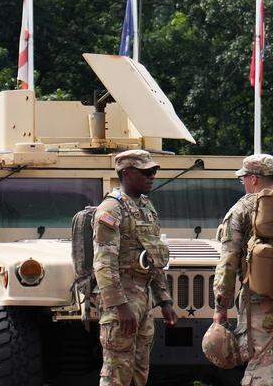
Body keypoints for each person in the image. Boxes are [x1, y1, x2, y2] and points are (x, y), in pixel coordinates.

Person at [214, 154, 273, 386]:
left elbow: (228, 261)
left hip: (260, 298)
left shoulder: (241, 209)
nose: (244, 182)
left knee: (260, 362)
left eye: (244, 178)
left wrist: (221, 306)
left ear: (254, 179)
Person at [94, 150, 177, 386]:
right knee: (117, 369)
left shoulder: (147, 208)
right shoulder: (111, 210)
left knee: (140, 370)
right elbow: (104, 262)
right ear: (127, 173)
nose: (152, 176)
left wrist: (165, 301)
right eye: (146, 172)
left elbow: (154, 257)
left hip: (143, 297)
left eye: (153, 171)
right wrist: (120, 306)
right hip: (121, 299)